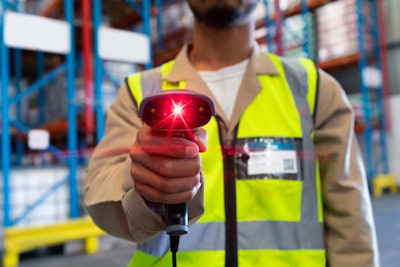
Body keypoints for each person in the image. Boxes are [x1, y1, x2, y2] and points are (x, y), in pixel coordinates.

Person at [85, 0, 380, 266]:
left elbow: (350, 226)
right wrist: (141, 186)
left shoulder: (313, 89)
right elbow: (102, 191)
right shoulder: (142, 92)